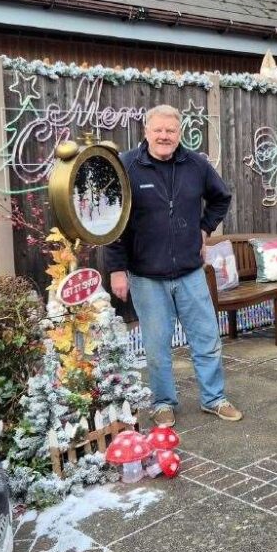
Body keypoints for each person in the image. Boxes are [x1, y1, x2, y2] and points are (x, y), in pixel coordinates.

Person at [106, 104, 241, 428]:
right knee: (156, 347)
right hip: (146, 276)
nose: (164, 136)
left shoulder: (196, 164)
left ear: (179, 134)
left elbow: (221, 197)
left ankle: (214, 398)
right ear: (146, 132)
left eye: (170, 130)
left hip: (190, 272)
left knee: (207, 339)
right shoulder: (126, 166)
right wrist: (116, 269)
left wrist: (205, 228)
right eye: (158, 130)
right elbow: (110, 220)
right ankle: (163, 403)